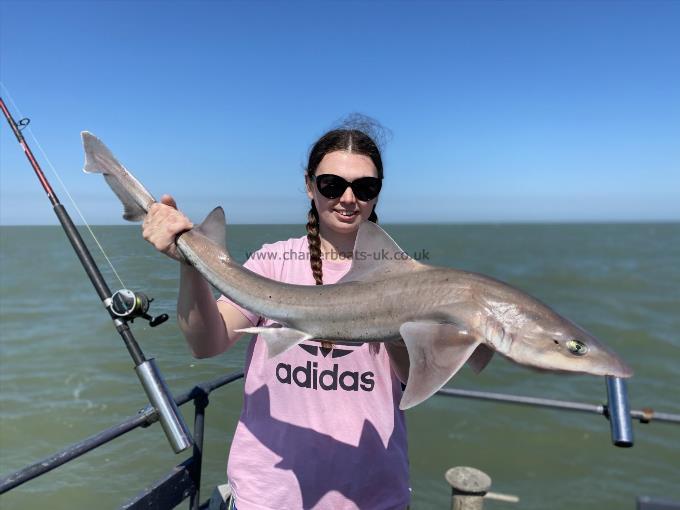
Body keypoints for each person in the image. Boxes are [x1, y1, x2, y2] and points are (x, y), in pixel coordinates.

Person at [142, 121, 411, 509]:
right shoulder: (272, 263)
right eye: (332, 185)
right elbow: (206, 343)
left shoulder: (402, 275)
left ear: (378, 191)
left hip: (371, 496)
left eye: (365, 187)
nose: (349, 198)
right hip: (269, 495)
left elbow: (416, 381)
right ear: (309, 185)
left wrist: (396, 326)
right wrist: (191, 263)